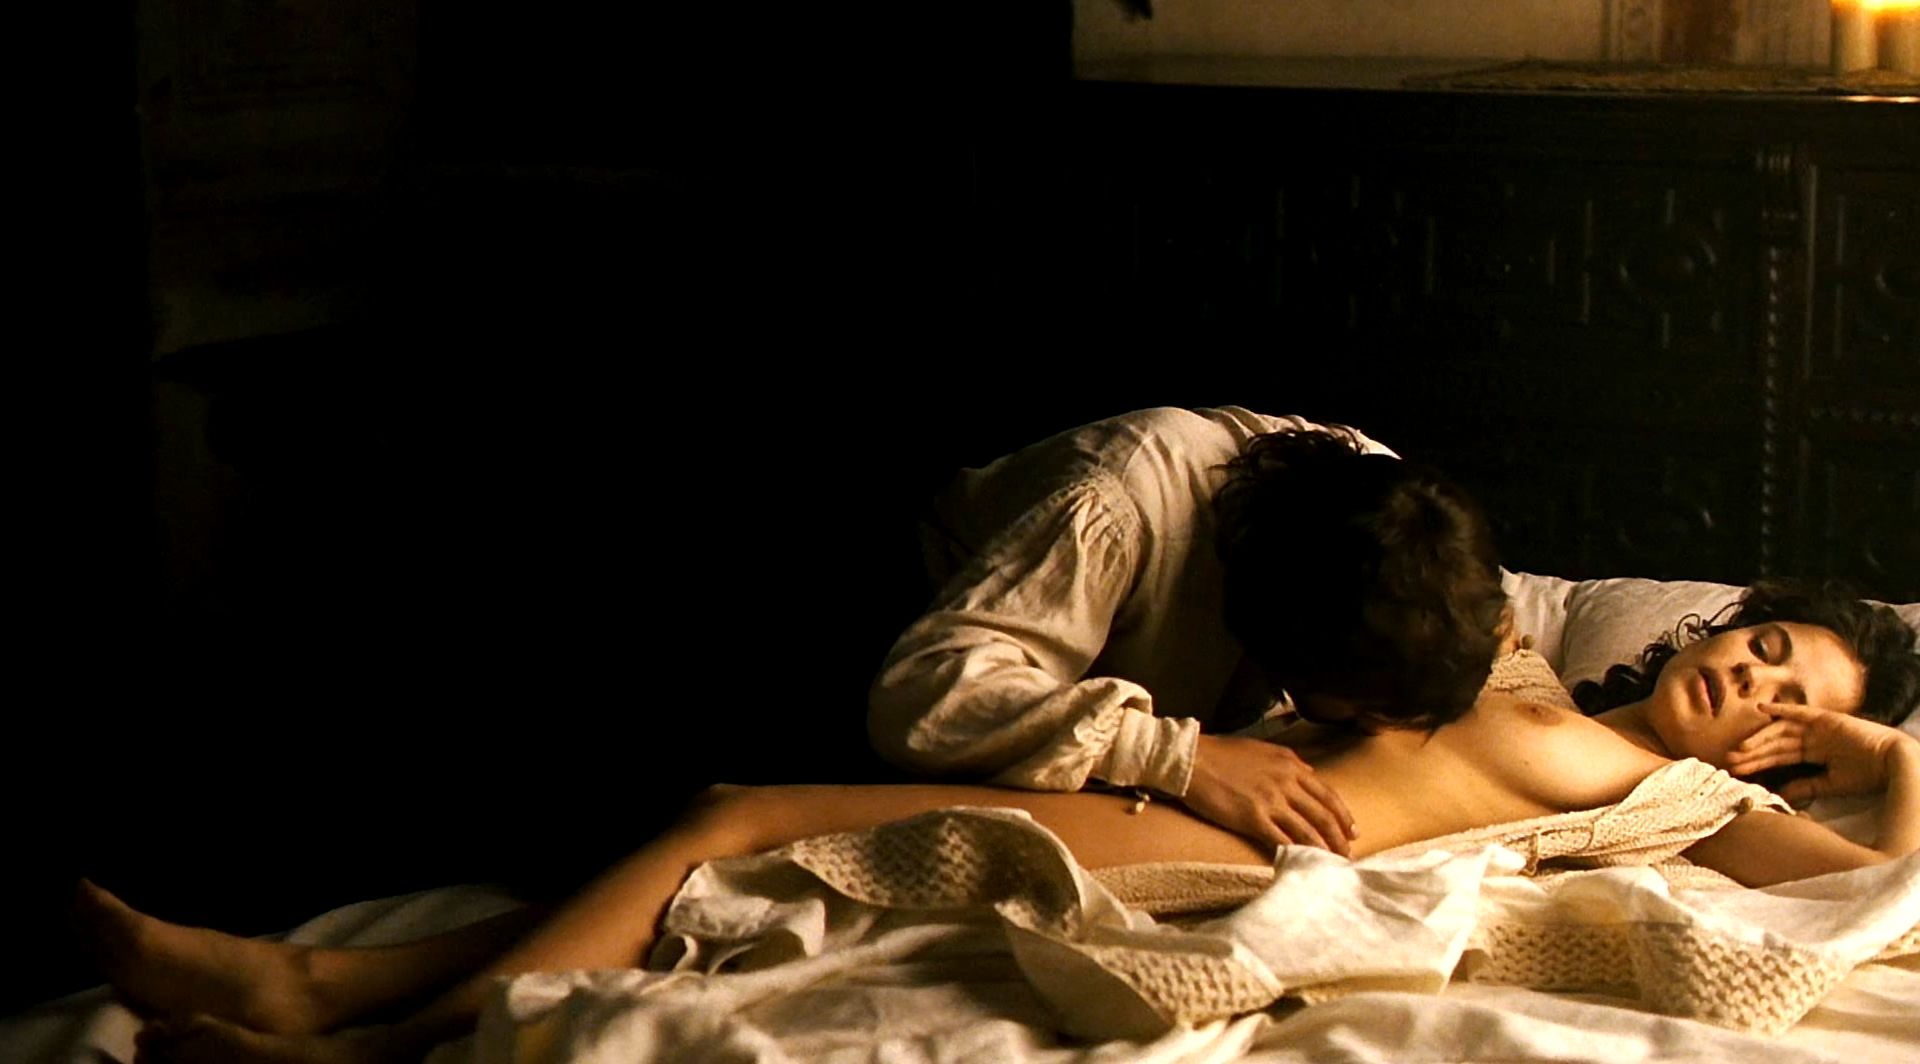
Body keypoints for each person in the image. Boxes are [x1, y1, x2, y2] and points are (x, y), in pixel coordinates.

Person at [79, 582, 1920, 1064]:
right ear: (1708, 629)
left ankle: (357, 1038)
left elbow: (1898, 883)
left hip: (1275, 861)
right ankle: (328, 1001)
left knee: (749, 818)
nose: (1755, 688)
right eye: (1764, 648)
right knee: (750, 838)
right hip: (1190, 781)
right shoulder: (1505, 640)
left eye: (1796, 701)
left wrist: (1871, 751)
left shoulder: (1691, 807)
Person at [868, 407, 1509, 856]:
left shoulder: (1409, 526)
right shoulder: (1118, 505)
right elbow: (924, 695)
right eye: (1356, 714)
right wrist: (1182, 757)